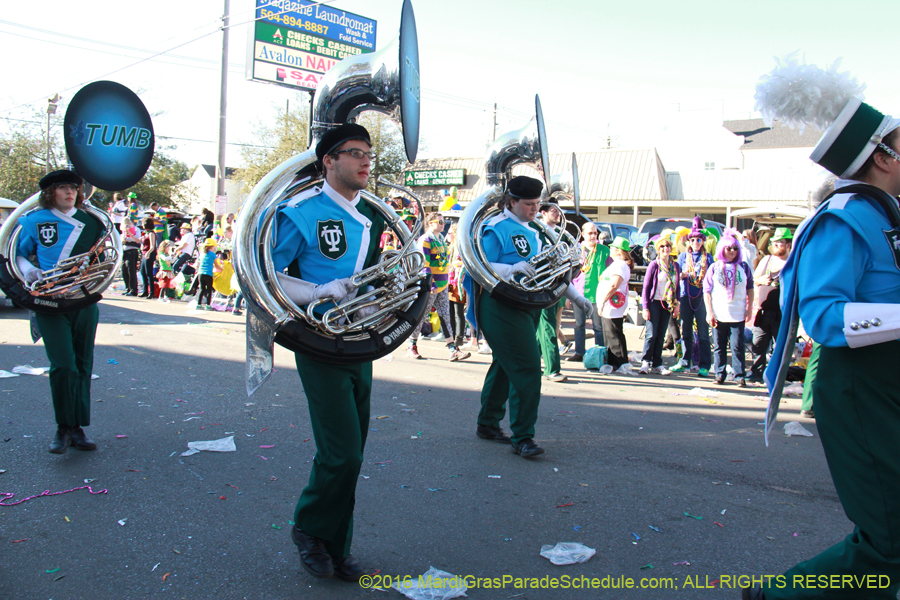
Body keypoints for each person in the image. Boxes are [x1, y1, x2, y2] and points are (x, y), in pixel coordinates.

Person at [750, 98, 900, 600]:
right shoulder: (842, 218)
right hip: (861, 388)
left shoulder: (886, 215)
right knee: (891, 540)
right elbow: (824, 318)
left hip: (888, 384)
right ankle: (777, 596)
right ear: (882, 156)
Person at [269, 124, 386, 582]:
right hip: (316, 336)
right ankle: (309, 529)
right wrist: (321, 289)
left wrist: (378, 297)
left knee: (351, 448)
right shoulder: (299, 210)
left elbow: (370, 276)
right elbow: (267, 274)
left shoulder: (372, 217)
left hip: (359, 337)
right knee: (343, 453)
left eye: (368, 154)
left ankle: (337, 545)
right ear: (328, 161)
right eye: (354, 153)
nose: (364, 161)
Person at [471, 175, 592, 458]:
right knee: (526, 369)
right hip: (501, 307)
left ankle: (487, 424)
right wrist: (511, 269)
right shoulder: (494, 227)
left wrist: (575, 296)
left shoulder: (537, 230)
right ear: (511, 202)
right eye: (528, 204)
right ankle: (523, 436)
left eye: (538, 203)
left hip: (528, 307)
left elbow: (550, 273)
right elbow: (480, 265)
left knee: (504, 366)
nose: (535, 209)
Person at [15, 170, 102, 454]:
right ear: (50, 192)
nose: (70, 193)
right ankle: (63, 427)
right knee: (63, 364)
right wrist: (29, 270)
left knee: (82, 364)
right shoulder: (33, 220)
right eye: (63, 188)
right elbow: (17, 253)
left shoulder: (93, 222)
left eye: (73, 188)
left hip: (84, 301)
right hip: (49, 302)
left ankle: (78, 427)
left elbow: (105, 255)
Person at [406, 213, 470, 362]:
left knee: (445, 316)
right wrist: (431, 284)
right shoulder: (425, 240)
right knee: (421, 316)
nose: (443, 224)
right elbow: (424, 265)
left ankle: (452, 349)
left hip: (443, 284)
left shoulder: (441, 239)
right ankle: (412, 346)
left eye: (443, 222)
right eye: (439, 221)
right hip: (430, 285)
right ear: (430, 223)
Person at [703, 231, 753, 386]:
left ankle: (739, 375)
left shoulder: (743, 267)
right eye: (729, 248)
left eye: (735, 248)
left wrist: (749, 308)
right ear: (722, 249)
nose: (732, 251)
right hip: (719, 313)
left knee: (737, 346)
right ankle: (720, 373)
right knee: (719, 346)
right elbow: (707, 290)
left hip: (737, 313)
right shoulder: (714, 267)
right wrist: (709, 312)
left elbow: (750, 288)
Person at [748, 228, 792, 383]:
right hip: (764, 310)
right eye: (774, 242)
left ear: (788, 245)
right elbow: (753, 279)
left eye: (779, 242)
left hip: (783, 312)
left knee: (780, 345)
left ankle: (777, 375)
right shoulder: (767, 260)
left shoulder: (793, 263)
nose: (776, 245)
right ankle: (756, 373)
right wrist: (761, 281)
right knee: (758, 343)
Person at [535, 203, 573, 382]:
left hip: (558, 285)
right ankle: (552, 369)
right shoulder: (537, 230)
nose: (558, 214)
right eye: (554, 211)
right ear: (543, 213)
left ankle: (530, 364)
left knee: (543, 328)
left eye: (559, 211)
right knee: (549, 326)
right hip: (543, 286)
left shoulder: (561, 234)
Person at [671, 218, 713, 376]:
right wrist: (682, 275)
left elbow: (712, 278)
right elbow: (676, 274)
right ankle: (684, 362)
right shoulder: (682, 257)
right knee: (685, 331)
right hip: (685, 296)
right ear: (689, 241)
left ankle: (705, 365)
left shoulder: (708, 258)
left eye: (699, 240)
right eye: (693, 239)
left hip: (701, 298)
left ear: (703, 241)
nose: (696, 242)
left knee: (703, 332)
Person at [640, 235, 681, 374]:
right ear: (658, 249)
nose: (665, 249)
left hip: (668, 303)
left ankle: (657, 363)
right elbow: (646, 287)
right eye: (662, 246)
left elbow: (677, 287)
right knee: (651, 334)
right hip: (654, 302)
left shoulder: (675, 266)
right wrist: (645, 307)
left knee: (661, 334)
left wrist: (677, 304)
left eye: (668, 246)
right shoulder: (654, 265)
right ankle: (645, 361)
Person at [568, 221, 606, 362]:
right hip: (578, 293)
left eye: (595, 233)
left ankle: (600, 352)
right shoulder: (576, 250)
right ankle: (579, 352)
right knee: (579, 324)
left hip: (597, 294)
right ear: (583, 234)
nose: (593, 236)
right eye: (590, 233)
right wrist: (567, 296)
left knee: (598, 326)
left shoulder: (603, 250)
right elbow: (569, 273)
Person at [597, 236, 633, 369]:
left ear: (618, 251)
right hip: (612, 303)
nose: (610, 249)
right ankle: (614, 360)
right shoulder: (618, 264)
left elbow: (614, 285)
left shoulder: (619, 265)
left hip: (612, 304)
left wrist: (603, 301)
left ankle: (618, 361)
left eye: (612, 247)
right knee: (611, 331)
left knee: (613, 332)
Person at [120, 217, 141, 296]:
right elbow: (123, 240)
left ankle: (133, 290)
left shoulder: (136, 229)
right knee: (124, 270)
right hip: (125, 250)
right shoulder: (123, 231)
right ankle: (127, 288)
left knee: (131, 269)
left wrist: (130, 234)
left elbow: (137, 240)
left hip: (132, 250)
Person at [196, 238, 217, 309]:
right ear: (211, 247)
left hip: (200, 273)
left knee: (202, 289)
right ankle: (208, 305)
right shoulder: (212, 254)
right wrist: (222, 269)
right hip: (208, 273)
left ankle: (198, 304)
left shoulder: (202, 254)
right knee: (209, 289)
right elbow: (216, 265)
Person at [139, 216, 157, 298]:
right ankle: (145, 291)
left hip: (149, 253)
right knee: (143, 272)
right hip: (144, 252)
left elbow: (153, 246)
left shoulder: (151, 233)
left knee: (149, 272)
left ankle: (151, 292)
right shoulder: (145, 233)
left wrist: (148, 253)